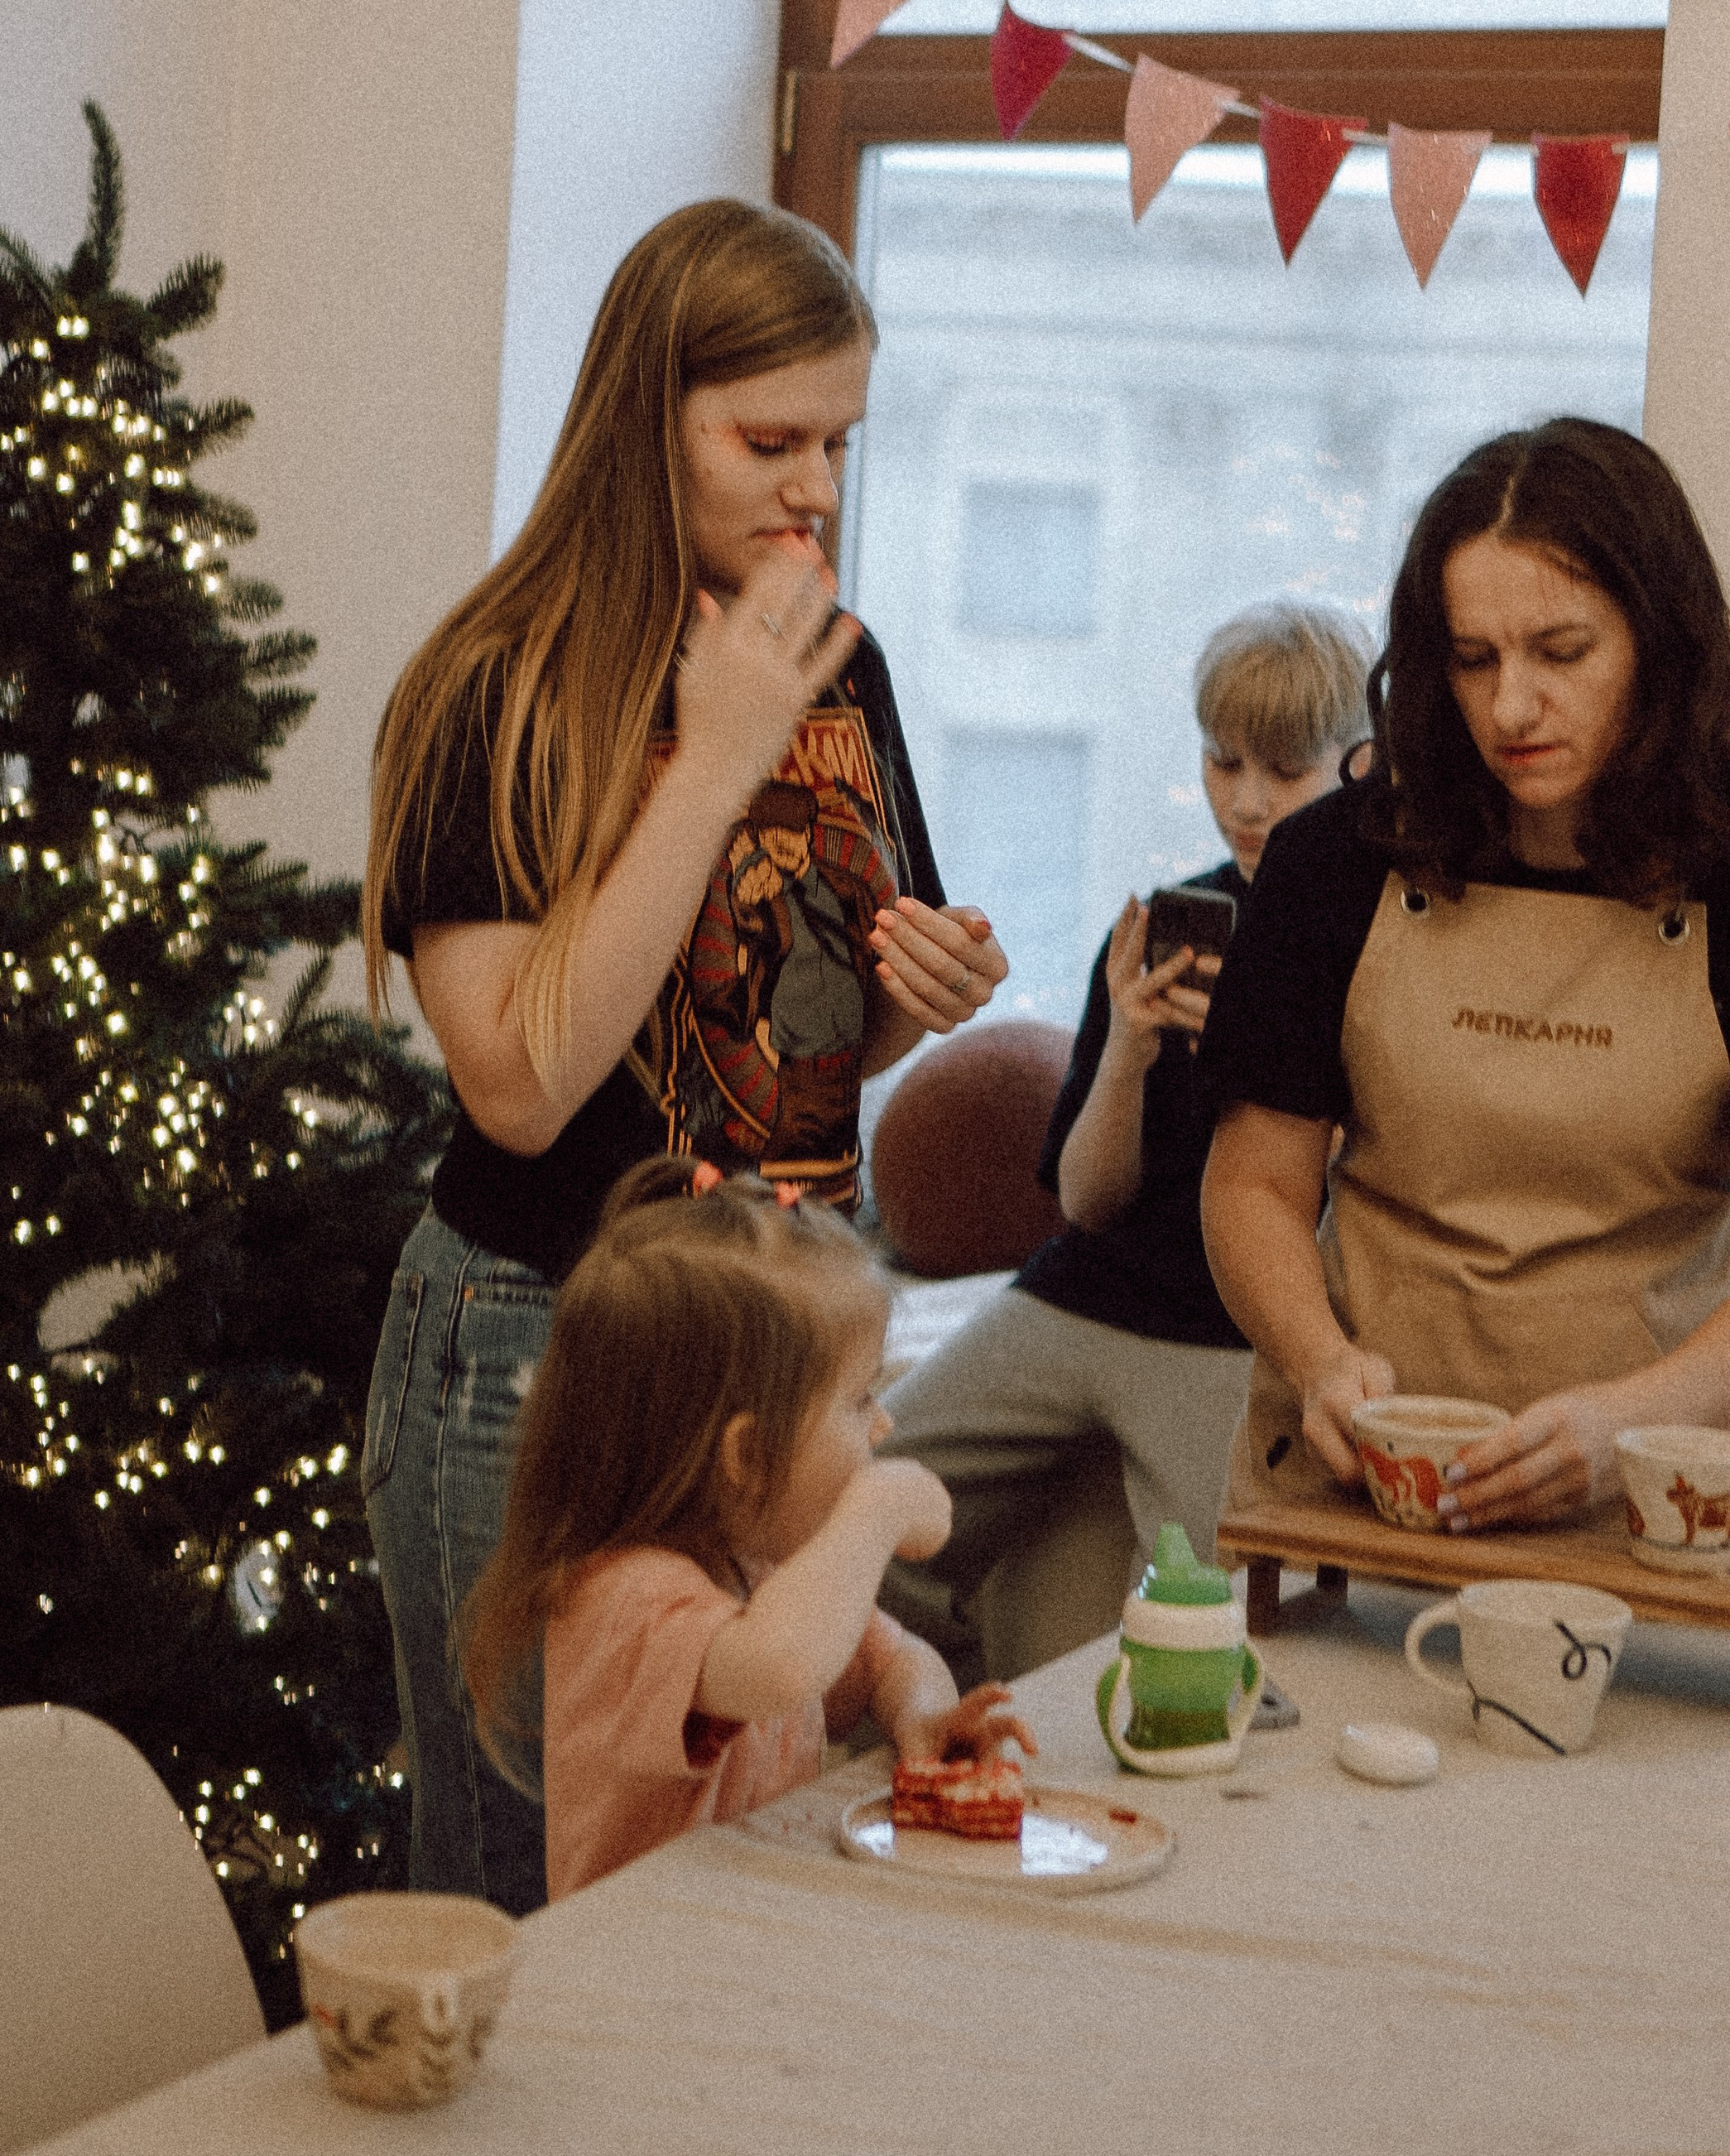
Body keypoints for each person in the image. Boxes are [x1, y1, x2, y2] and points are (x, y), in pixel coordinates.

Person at [360, 200, 1008, 1913]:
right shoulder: (496, 689)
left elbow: (811, 1032)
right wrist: (707, 764)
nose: (812, 488)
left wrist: (905, 995)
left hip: (772, 1359)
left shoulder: (833, 666)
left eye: (839, 445)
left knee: (739, 1879)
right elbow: (519, 1083)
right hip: (542, 1343)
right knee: (531, 1901)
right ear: (642, 422)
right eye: (766, 440)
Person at [1199, 421, 1730, 1533]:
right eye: (1475, 660)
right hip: (1356, 1482)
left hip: (1643, 1491)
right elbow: (1252, 1189)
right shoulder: (1333, 862)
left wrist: (1632, 1424)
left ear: (1660, 646)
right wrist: (1318, 1358)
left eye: (1561, 654)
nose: (1512, 707)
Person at [878, 601, 1371, 1682]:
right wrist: (1129, 1049)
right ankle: (943, 1713)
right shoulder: (1167, 924)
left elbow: (1349, 1208)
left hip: (1228, 1335)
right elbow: (1088, 1203)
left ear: (1361, 764)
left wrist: (1270, 1051)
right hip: (1081, 1294)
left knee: (1201, 1637)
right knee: (852, 1510)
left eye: (1283, 770)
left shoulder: (1379, 941)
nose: (1244, 799)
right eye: (1221, 760)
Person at [459, 1160, 1032, 1901]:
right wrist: (878, 1509)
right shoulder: (627, 1602)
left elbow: (894, 1658)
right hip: (645, 1980)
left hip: (747, 1946)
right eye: (859, 1401)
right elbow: (781, 1666)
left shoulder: (761, 1567)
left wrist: (919, 1717)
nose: (883, 1424)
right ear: (746, 1455)